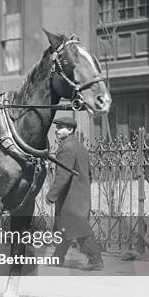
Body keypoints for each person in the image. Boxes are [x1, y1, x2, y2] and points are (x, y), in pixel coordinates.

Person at [46, 116, 104, 271]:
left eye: (60, 128)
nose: (56, 131)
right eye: (56, 128)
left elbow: (63, 175)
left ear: (70, 129)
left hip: (70, 198)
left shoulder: (67, 148)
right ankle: (57, 258)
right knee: (65, 228)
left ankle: (96, 260)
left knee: (79, 229)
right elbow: (89, 175)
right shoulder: (80, 146)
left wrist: (51, 195)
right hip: (80, 195)